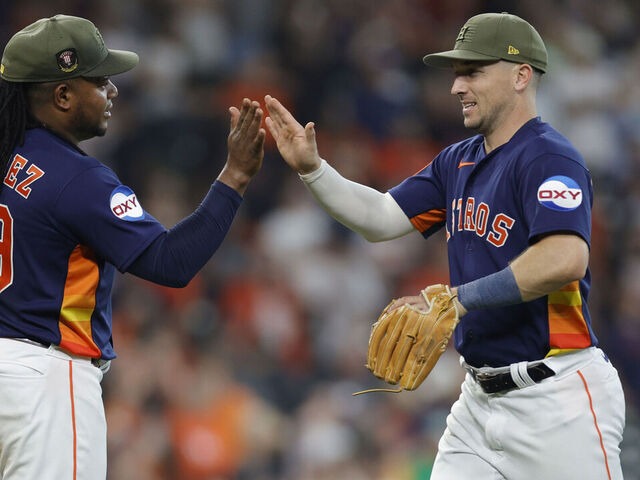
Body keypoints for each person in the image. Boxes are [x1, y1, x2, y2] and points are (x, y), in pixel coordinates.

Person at [265, 12, 625, 480]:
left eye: (473, 71)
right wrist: (314, 170)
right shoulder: (457, 161)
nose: (457, 86)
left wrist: (460, 299)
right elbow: (378, 218)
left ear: (520, 76)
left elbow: (565, 258)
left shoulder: (548, 157)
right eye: (457, 73)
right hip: (478, 403)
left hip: (558, 400)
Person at [0, 14, 265, 480]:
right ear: (62, 95)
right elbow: (171, 262)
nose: (113, 91)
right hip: (46, 380)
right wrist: (236, 177)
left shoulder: (9, 155)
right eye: (100, 81)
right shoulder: (77, 178)